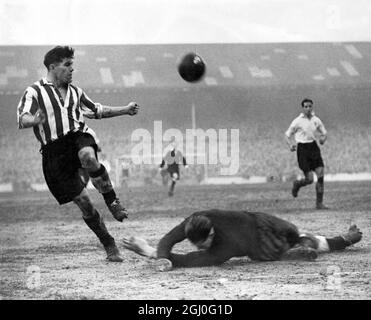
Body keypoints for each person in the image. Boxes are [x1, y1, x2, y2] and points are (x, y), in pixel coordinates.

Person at [17, 46, 140, 262]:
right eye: (67, 65)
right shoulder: (34, 91)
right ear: (53, 67)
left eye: (72, 65)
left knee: (88, 156)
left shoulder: (76, 92)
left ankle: (112, 201)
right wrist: (34, 120)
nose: (72, 69)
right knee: (84, 202)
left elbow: (98, 111)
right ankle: (108, 243)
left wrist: (126, 109)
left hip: (77, 137)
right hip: (54, 152)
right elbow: (22, 117)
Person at [123, 209, 362, 271]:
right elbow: (172, 245)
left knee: (300, 235)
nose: (201, 246)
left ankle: (306, 246)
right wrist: (158, 254)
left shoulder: (213, 233)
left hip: (261, 227)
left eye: (210, 238)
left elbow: (184, 256)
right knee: (304, 238)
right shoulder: (202, 229)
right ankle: (342, 240)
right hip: (258, 237)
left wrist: (154, 253)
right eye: (204, 241)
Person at [285, 98, 328, 209]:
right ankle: (297, 184)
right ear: (303, 108)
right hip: (302, 149)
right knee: (309, 179)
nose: (308, 108)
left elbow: (324, 132)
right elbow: (287, 135)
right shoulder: (297, 121)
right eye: (306, 106)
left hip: (313, 147)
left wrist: (323, 139)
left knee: (321, 174)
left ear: (312, 107)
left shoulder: (316, 120)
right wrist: (291, 144)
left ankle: (319, 203)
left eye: (310, 106)